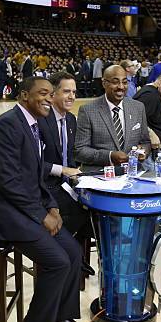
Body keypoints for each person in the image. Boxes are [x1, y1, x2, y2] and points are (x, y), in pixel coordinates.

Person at [0, 77, 95, 322]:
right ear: (24, 95)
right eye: (43, 94)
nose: (49, 99)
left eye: (51, 94)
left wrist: (51, 206)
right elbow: (8, 182)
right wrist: (42, 215)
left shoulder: (33, 124)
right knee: (56, 261)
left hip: (24, 203)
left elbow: (36, 173)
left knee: (73, 253)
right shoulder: (7, 125)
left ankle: (60, 317)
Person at [37, 71, 95, 276]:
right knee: (76, 212)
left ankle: (75, 260)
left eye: (74, 92)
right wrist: (61, 170)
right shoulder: (40, 120)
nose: (72, 96)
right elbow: (32, 164)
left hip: (64, 185)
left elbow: (71, 157)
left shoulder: (71, 120)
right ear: (53, 94)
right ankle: (68, 262)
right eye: (66, 91)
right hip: (43, 186)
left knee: (94, 208)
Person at [75, 65, 151, 172]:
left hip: (132, 174)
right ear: (104, 83)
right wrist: (109, 156)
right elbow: (80, 151)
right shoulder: (88, 110)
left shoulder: (138, 107)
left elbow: (146, 142)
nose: (121, 87)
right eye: (115, 82)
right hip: (100, 175)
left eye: (124, 82)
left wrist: (144, 151)